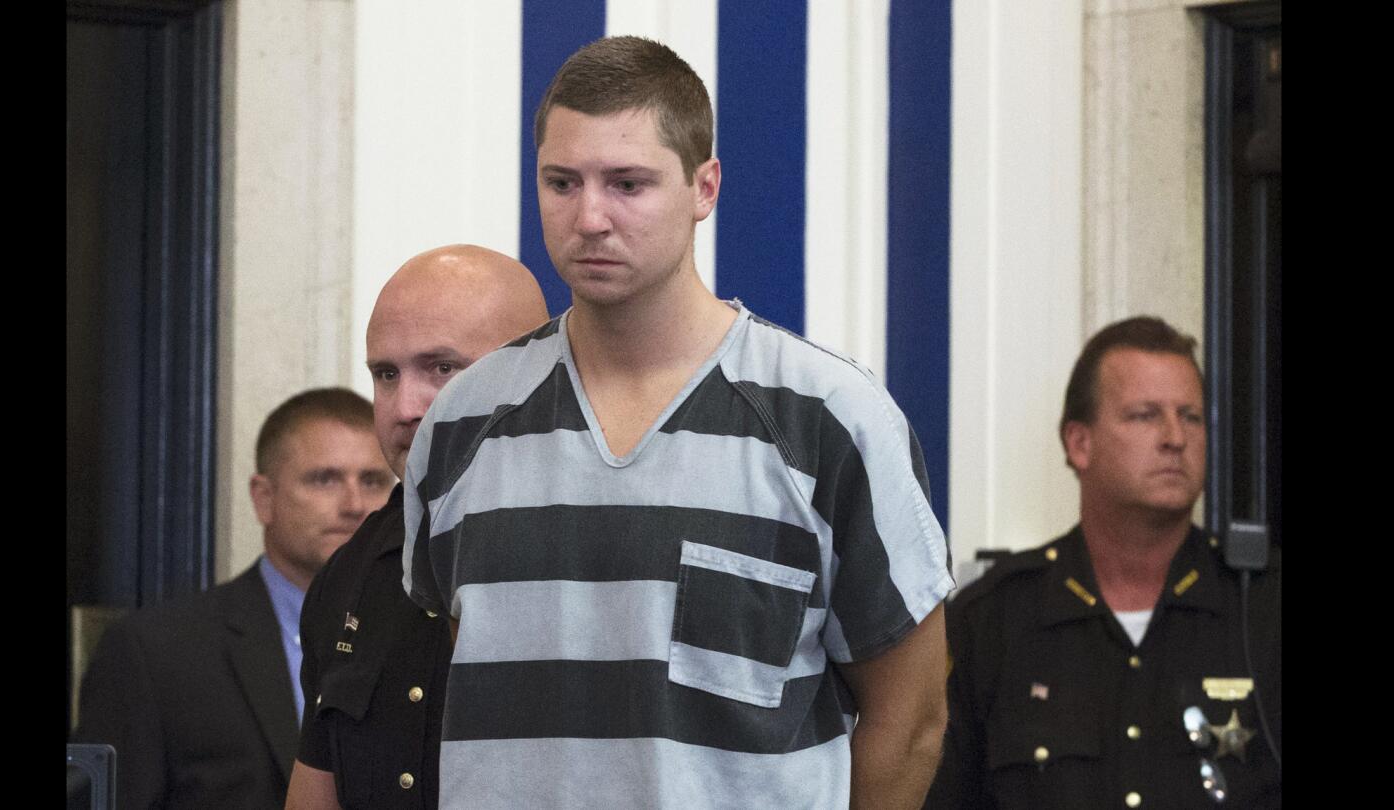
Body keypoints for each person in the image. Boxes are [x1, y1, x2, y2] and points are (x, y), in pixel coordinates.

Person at [401, 36, 953, 809]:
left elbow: (914, 716)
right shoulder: (463, 422)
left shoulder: (828, 416)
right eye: (562, 182)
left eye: (628, 183)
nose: (589, 217)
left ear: (705, 187)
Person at [927, 316, 1282, 809]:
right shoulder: (992, 620)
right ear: (1079, 443)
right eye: (1145, 415)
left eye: (1191, 416)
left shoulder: (1261, 606)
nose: (1175, 437)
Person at [285, 245, 549, 810]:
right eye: (385, 374)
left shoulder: (608, 544)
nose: (405, 406)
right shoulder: (352, 569)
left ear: (539, 375)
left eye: (443, 368)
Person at [73, 388, 393, 810]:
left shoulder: (427, 633)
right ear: (264, 499)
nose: (355, 505)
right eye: (324, 479)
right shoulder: (154, 653)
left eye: (372, 481)